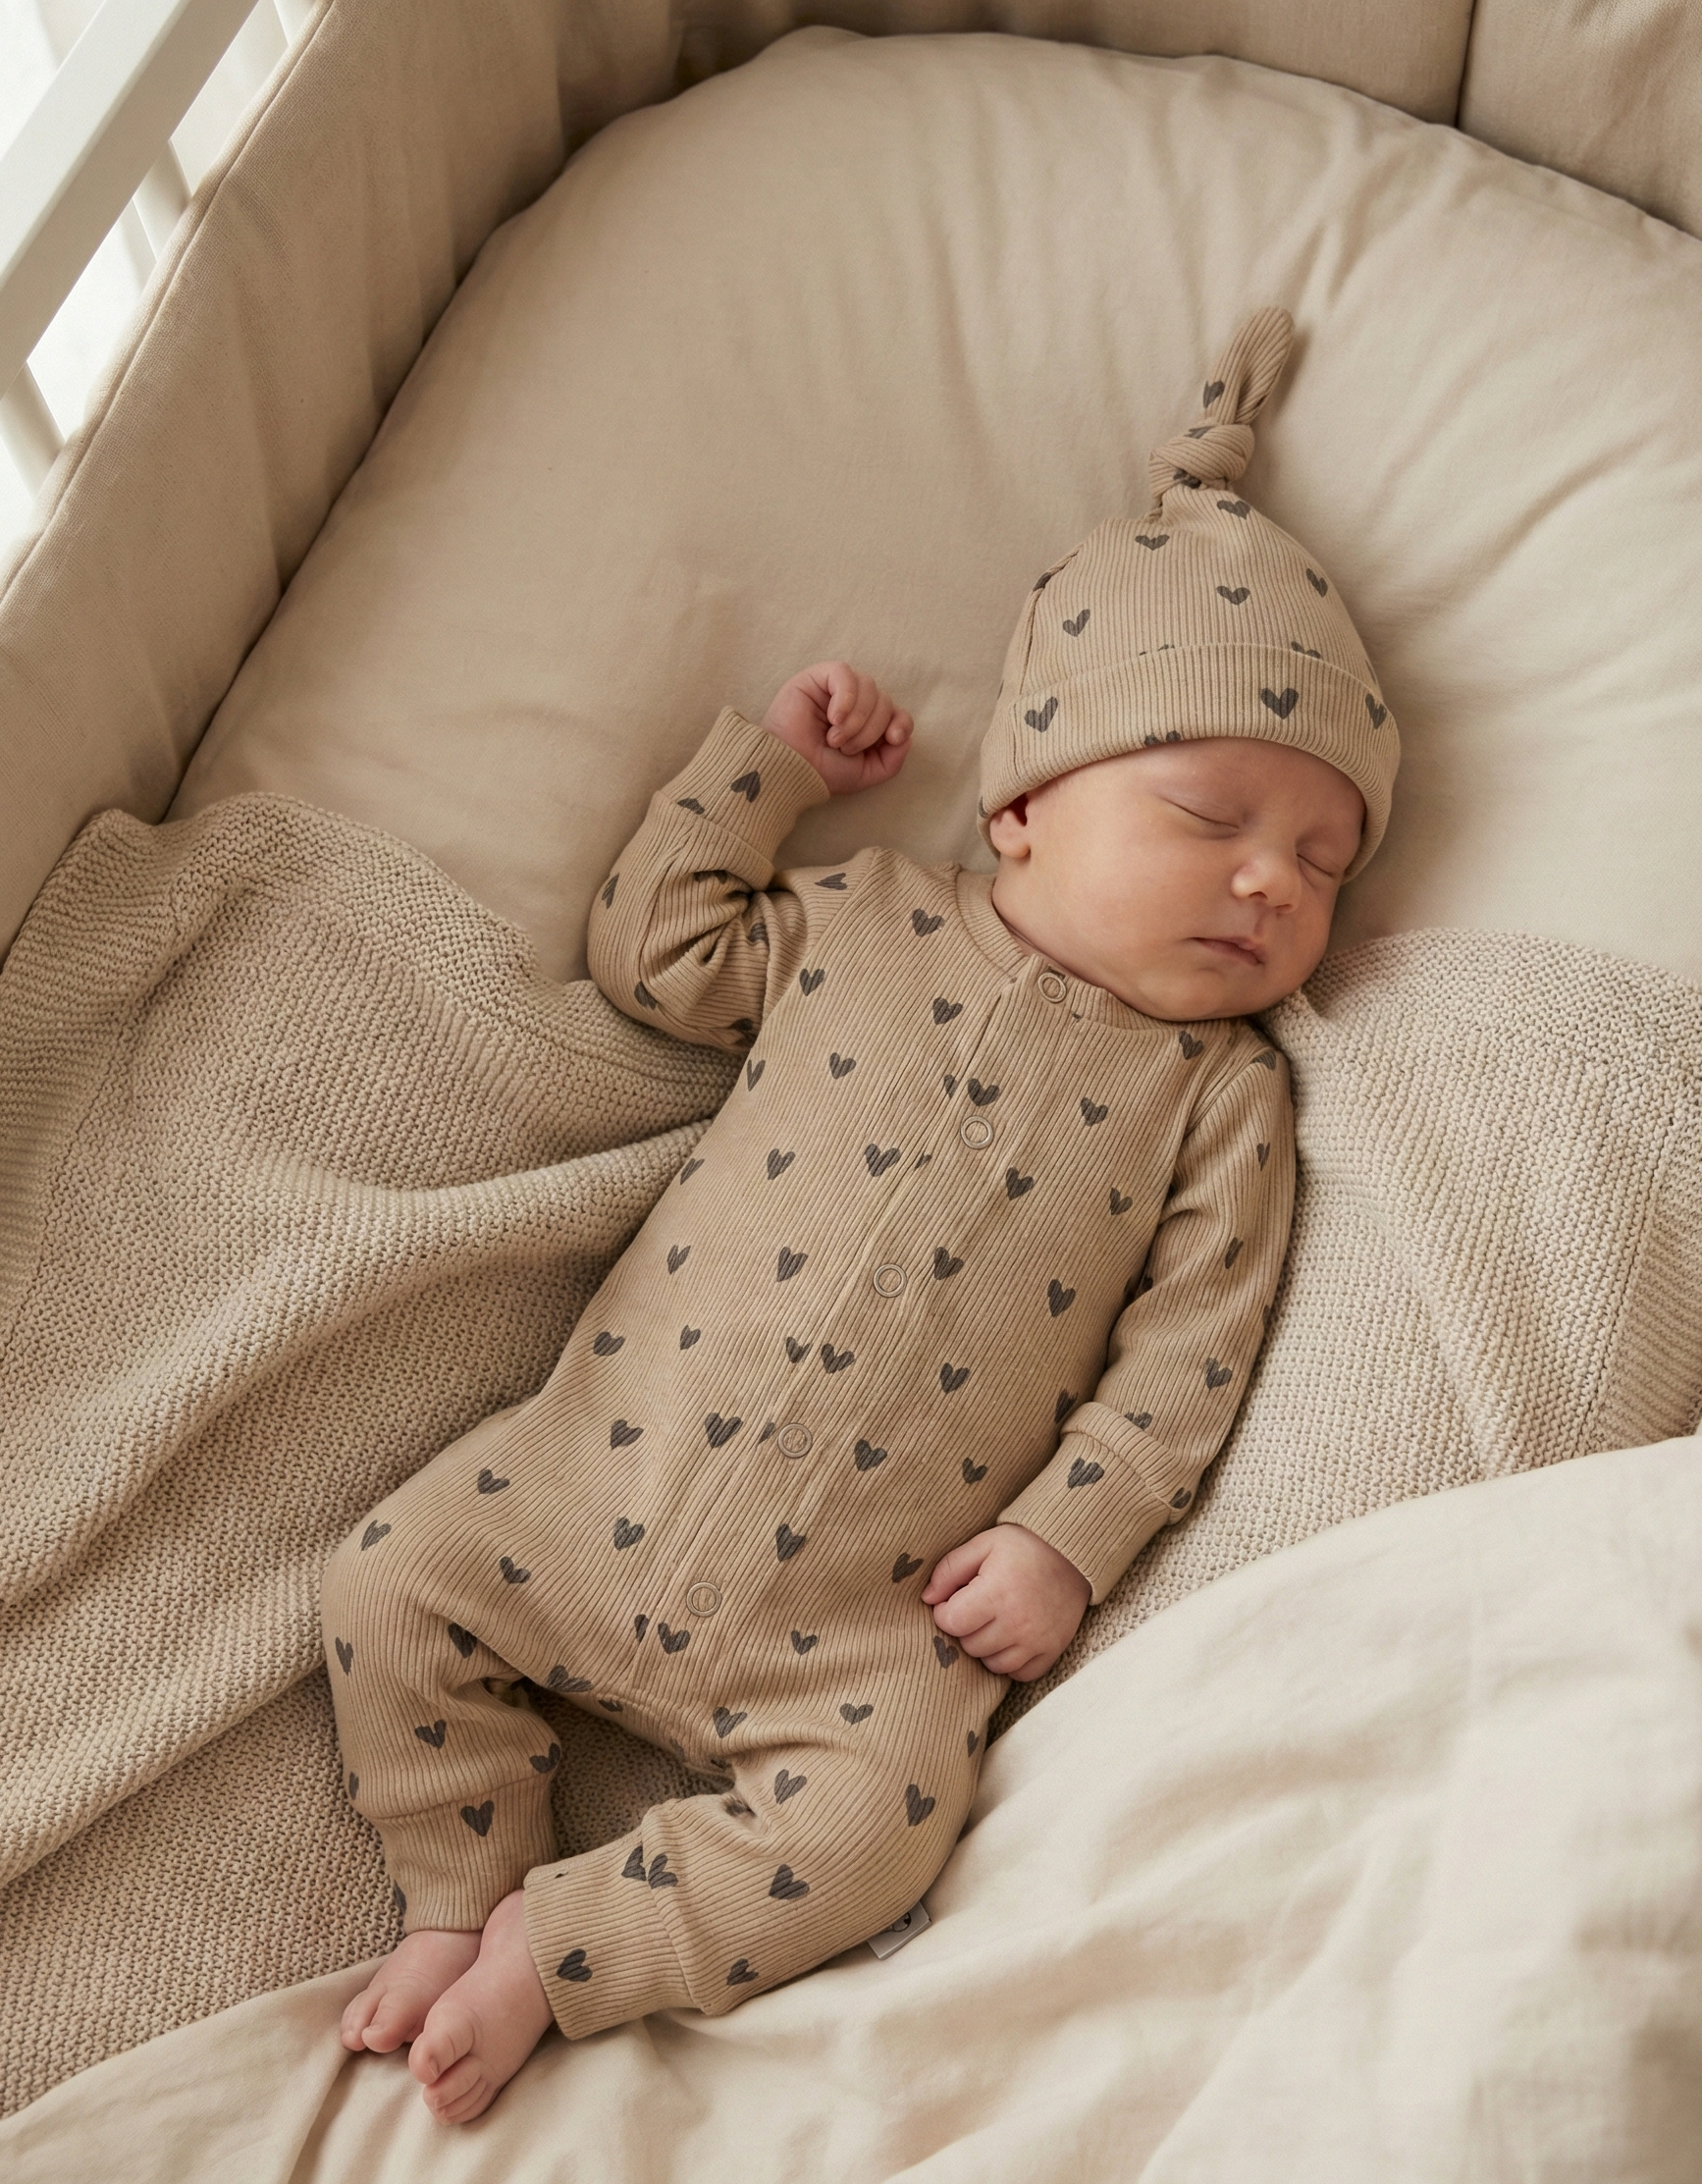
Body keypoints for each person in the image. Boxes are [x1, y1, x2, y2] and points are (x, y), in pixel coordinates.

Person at [321, 304, 1400, 2123]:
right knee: (379, 1582)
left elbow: (1192, 1355)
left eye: (1322, 862)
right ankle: (452, 1883)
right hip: (587, 1490)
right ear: (1029, 811)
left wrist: (1067, 1539)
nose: (1266, 882)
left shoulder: (1223, 1099)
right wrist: (772, 777)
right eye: (1213, 812)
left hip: (863, 1631)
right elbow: (657, 951)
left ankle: (555, 1948)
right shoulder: (872, 920)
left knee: (889, 1832)